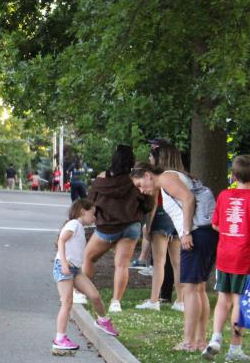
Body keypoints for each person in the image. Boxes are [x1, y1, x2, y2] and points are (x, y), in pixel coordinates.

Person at [131, 161, 217, 352]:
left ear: (148, 175)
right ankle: (200, 341)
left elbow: (188, 199)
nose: (142, 190)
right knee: (199, 289)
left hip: (196, 234)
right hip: (206, 233)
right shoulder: (169, 179)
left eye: (140, 185)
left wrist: (186, 232)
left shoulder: (166, 178)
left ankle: (189, 342)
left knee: (191, 289)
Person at [83, 145, 150, 313]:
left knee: (88, 257)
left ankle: (82, 293)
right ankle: (116, 302)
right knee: (122, 265)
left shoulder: (102, 178)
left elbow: (90, 200)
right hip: (131, 226)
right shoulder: (135, 181)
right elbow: (147, 205)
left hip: (107, 227)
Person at [53, 198, 119, 352]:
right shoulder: (74, 224)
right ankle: (59, 338)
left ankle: (103, 321)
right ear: (83, 211)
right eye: (93, 213)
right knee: (67, 302)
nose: (94, 217)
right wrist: (64, 263)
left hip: (75, 269)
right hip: (64, 267)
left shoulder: (79, 227)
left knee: (95, 296)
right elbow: (61, 241)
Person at [203, 155, 250, 362]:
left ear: (233, 176)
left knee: (223, 298)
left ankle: (215, 338)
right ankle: (235, 348)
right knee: (239, 301)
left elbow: (215, 224)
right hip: (244, 257)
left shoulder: (224, 195)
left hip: (224, 255)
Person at [134, 140, 184, 312]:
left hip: (161, 216)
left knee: (159, 262)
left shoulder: (158, 176)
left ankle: (154, 300)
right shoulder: (178, 174)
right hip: (177, 217)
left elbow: (155, 202)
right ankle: (181, 301)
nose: (149, 158)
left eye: (151, 155)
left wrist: (148, 226)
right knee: (177, 262)